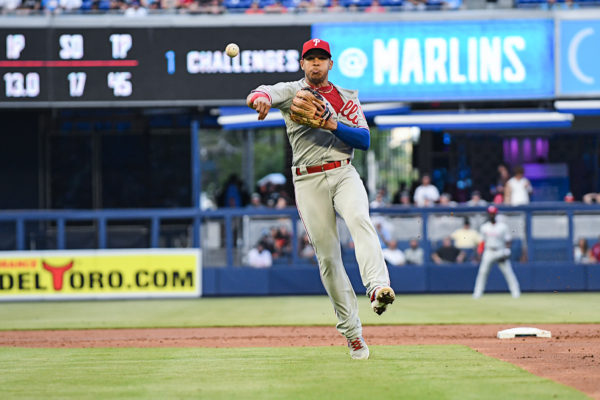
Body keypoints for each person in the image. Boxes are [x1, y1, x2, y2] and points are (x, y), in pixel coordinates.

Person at [247, 38, 394, 360]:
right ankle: (353, 333)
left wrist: (332, 123)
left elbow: (365, 139)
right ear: (303, 63)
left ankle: (378, 287)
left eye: (321, 58)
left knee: (359, 220)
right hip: (308, 178)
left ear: (331, 63)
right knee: (328, 258)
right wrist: (258, 99)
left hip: (343, 171)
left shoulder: (346, 97)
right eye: (310, 58)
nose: (315, 63)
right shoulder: (292, 90)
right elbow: (263, 92)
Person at [473, 206, 521, 298]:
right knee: (482, 272)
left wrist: (507, 252)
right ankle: (477, 293)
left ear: (496, 214)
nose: (491, 215)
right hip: (489, 251)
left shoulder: (502, 226)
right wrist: (479, 253)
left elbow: (508, 240)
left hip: (500, 250)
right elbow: (482, 241)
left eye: (493, 213)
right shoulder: (484, 227)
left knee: (508, 272)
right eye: (490, 213)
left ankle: (516, 292)